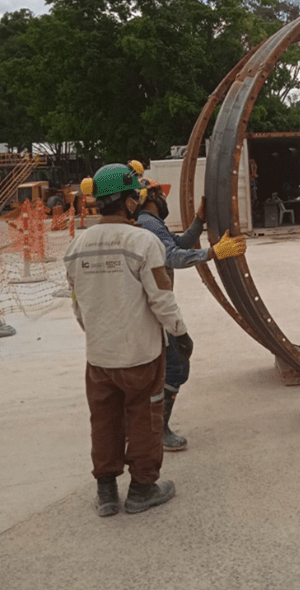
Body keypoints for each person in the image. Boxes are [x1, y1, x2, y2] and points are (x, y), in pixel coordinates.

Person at [64, 163, 192, 517]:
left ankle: (106, 494)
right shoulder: (142, 242)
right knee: (144, 419)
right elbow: (161, 298)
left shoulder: (76, 247)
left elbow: (78, 306)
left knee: (104, 420)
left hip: (99, 357)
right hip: (141, 355)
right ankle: (142, 490)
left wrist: (97, 335)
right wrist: (180, 333)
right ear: (129, 201)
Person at [132, 167, 246, 450]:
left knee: (165, 366)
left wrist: (199, 220)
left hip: (151, 307)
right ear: (149, 197)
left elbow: (179, 243)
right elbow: (172, 256)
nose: (164, 199)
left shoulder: (151, 223)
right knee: (175, 366)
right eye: (160, 194)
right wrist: (213, 252)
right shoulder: (149, 223)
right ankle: (157, 430)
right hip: (154, 309)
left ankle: (147, 427)